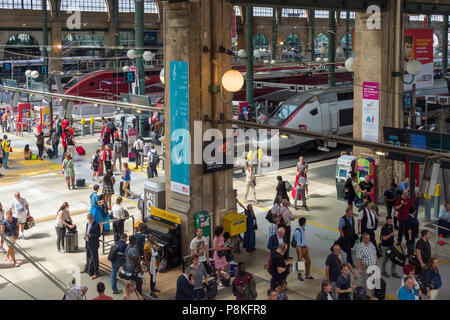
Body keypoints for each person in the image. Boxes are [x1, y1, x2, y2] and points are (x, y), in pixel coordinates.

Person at [356, 232, 380, 296]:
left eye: (369, 238)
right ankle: (367, 295)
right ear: (363, 238)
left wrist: (377, 263)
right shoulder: (360, 247)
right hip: (365, 267)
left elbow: (375, 254)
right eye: (366, 238)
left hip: (373, 266)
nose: (368, 239)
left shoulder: (371, 244)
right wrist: (359, 269)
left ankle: (372, 294)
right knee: (366, 283)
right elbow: (358, 259)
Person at [81, 213, 101, 279]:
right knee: (88, 256)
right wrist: (85, 236)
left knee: (95, 258)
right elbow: (86, 231)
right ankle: (86, 268)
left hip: (93, 244)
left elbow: (98, 235)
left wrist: (90, 235)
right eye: (88, 218)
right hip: (88, 242)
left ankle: (96, 272)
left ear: (92, 217)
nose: (89, 219)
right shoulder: (87, 224)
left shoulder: (96, 225)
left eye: (90, 218)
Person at [293, 217, 313, 281]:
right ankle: (299, 276)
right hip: (300, 248)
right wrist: (300, 253)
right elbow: (298, 243)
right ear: (304, 223)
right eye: (305, 222)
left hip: (305, 247)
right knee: (300, 263)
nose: (306, 223)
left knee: (308, 261)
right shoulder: (298, 231)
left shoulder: (302, 229)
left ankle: (307, 275)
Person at [144, 233, 161, 298]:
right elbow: (145, 257)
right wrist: (148, 266)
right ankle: (151, 292)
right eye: (150, 237)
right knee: (152, 277)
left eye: (153, 237)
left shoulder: (155, 242)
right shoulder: (146, 246)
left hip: (156, 262)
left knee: (155, 276)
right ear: (148, 238)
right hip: (151, 263)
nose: (152, 238)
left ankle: (153, 288)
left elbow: (157, 249)